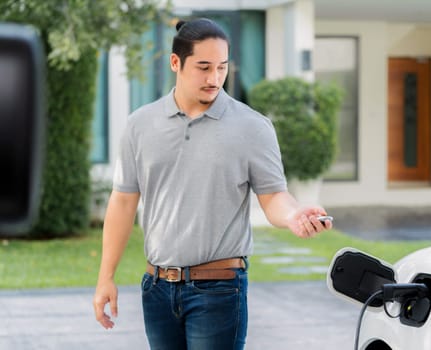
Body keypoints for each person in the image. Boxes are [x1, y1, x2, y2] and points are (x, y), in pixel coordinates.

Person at [93, 17, 332, 350]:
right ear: (176, 63)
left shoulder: (252, 127)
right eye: (203, 67)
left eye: (221, 67)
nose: (215, 78)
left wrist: (293, 215)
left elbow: (274, 195)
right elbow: (122, 201)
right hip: (157, 287)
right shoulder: (140, 125)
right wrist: (106, 277)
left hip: (219, 289)